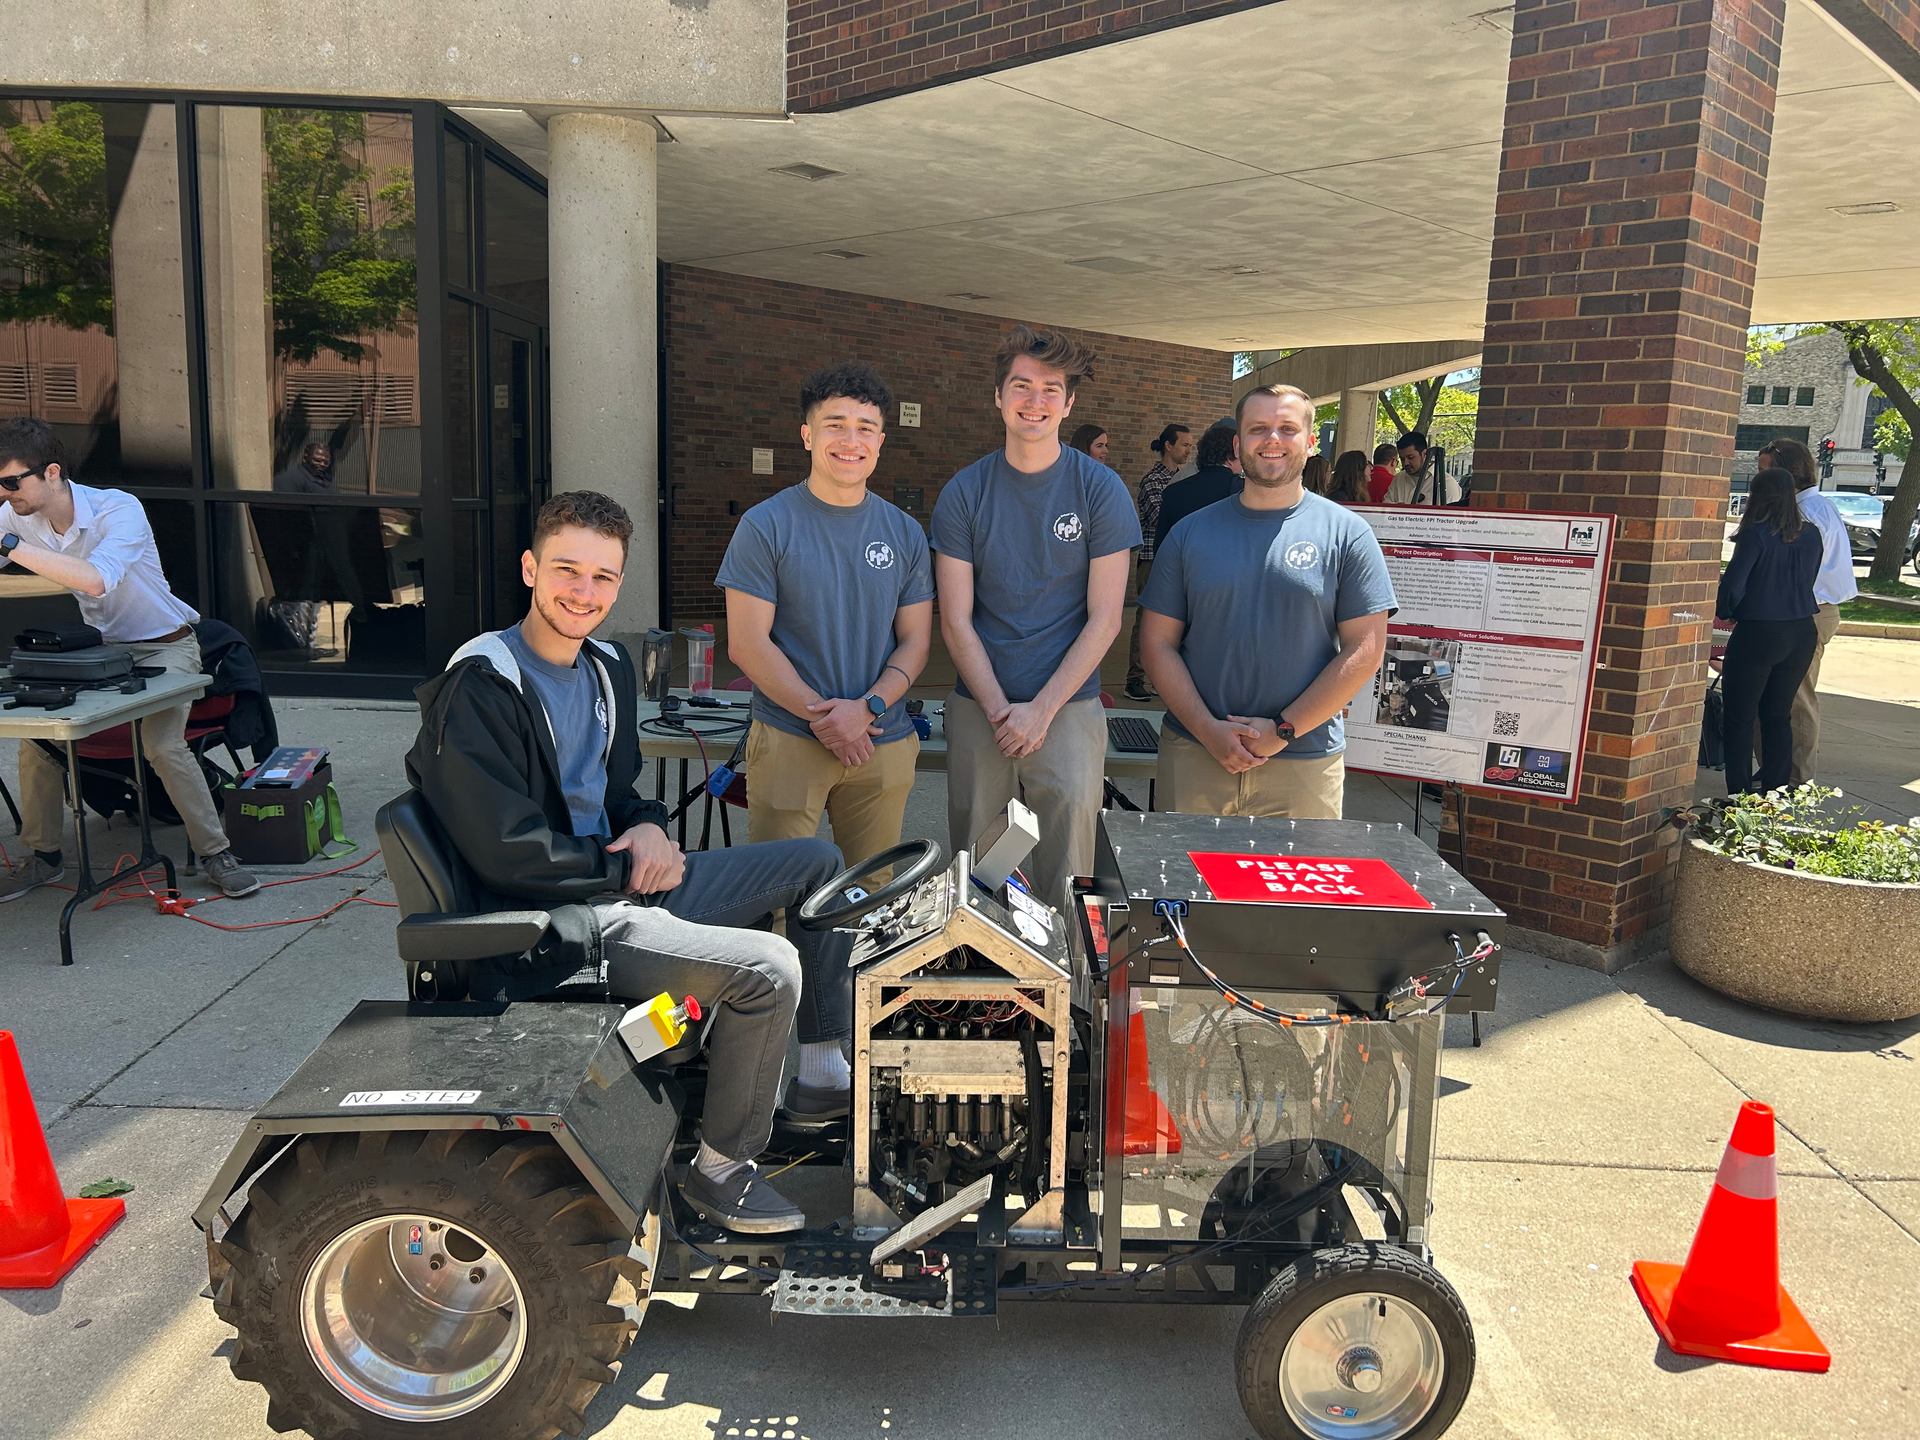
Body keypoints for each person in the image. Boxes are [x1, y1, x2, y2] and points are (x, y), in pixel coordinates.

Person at [408, 490, 857, 1233]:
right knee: (770, 970)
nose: (583, 593)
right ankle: (722, 1170)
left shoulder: (606, 667)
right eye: (566, 570)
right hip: (555, 926)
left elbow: (617, 792)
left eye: (603, 577)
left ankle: (819, 1077)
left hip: (620, 886)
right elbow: (505, 852)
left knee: (818, 863)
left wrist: (648, 826)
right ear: (530, 568)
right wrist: (624, 869)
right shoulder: (483, 683)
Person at [0, 418, 259, 901]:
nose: (4, 492)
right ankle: (42, 856)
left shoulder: (117, 508)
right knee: (37, 738)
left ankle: (215, 852)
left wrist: (11, 548)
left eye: (11, 481)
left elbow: (96, 580)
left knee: (161, 743)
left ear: (51, 472)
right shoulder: (14, 516)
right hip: (96, 652)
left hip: (165, 644)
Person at [931, 324, 1141, 907]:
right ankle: (981, 966)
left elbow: (1105, 618)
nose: (1035, 400)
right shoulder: (964, 492)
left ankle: (1067, 968)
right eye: (1022, 385)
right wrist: (1002, 712)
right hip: (982, 707)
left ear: (1069, 403)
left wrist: (1041, 711)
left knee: (1068, 875)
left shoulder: (1100, 490)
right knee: (978, 873)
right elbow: (956, 619)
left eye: (1051, 389)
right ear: (998, 396)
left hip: (1067, 707)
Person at [1140, 385, 1395, 818]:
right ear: (1238, 444)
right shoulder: (1189, 534)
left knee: (1299, 870)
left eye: (1287, 429)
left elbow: (1365, 650)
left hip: (1304, 760)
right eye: (1258, 428)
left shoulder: (1348, 534)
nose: (1272, 439)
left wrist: (1283, 729)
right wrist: (1206, 729)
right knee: (1182, 868)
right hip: (1196, 752)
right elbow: (1156, 643)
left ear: (1310, 443)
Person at [719, 363, 933, 871]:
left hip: (881, 739)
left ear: (880, 442)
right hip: (790, 738)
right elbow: (747, 644)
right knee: (777, 890)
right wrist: (828, 718)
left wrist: (867, 709)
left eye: (865, 428)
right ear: (808, 435)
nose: (850, 441)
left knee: (871, 895)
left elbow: (916, 642)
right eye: (835, 425)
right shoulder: (765, 525)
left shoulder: (904, 532)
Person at [1715, 469, 1822, 796]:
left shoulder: (1755, 535)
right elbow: (1810, 577)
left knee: (1739, 717)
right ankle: (1776, 789)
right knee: (1777, 713)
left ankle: (1739, 794)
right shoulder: (1812, 533)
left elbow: (1734, 585)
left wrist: (1726, 611)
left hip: (1759, 631)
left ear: (1757, 497)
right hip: (1802, 631)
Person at [1755, 437, 1855, 783]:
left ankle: (1795, 780)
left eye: (1765, 471)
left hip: (1806, 611)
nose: (1759, 480)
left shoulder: (1805, 513)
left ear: (1787, 474)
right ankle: (1773, 773)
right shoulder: (1817, 506)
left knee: (1796, 699)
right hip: (1804, 609)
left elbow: (1793, 571)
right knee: (1770, 696)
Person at [1125, 423, 1192, 700]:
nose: (1189, 450)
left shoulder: (1185, 479)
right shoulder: (1153, 480)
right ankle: (1134, 680)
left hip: (1177, 559)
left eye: (1191, 445)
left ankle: (1161, 679)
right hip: (1153, 559)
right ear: (1169, 446)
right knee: (1146, 620)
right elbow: (1158, 516)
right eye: (1184, 445)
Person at [1152, 422, 1242, 552]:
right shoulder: (1244, 491)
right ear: (1230, 457)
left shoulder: (1172, 492)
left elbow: (1161, 547)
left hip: (1183, 562)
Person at [1385, 430, 1462, 505]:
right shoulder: (1398, 479)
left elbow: (1448, 513)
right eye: (1402, 459)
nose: (1406, 463)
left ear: (1424, 454)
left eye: (1410, 457)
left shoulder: (1447, 484)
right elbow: (1385, 507)